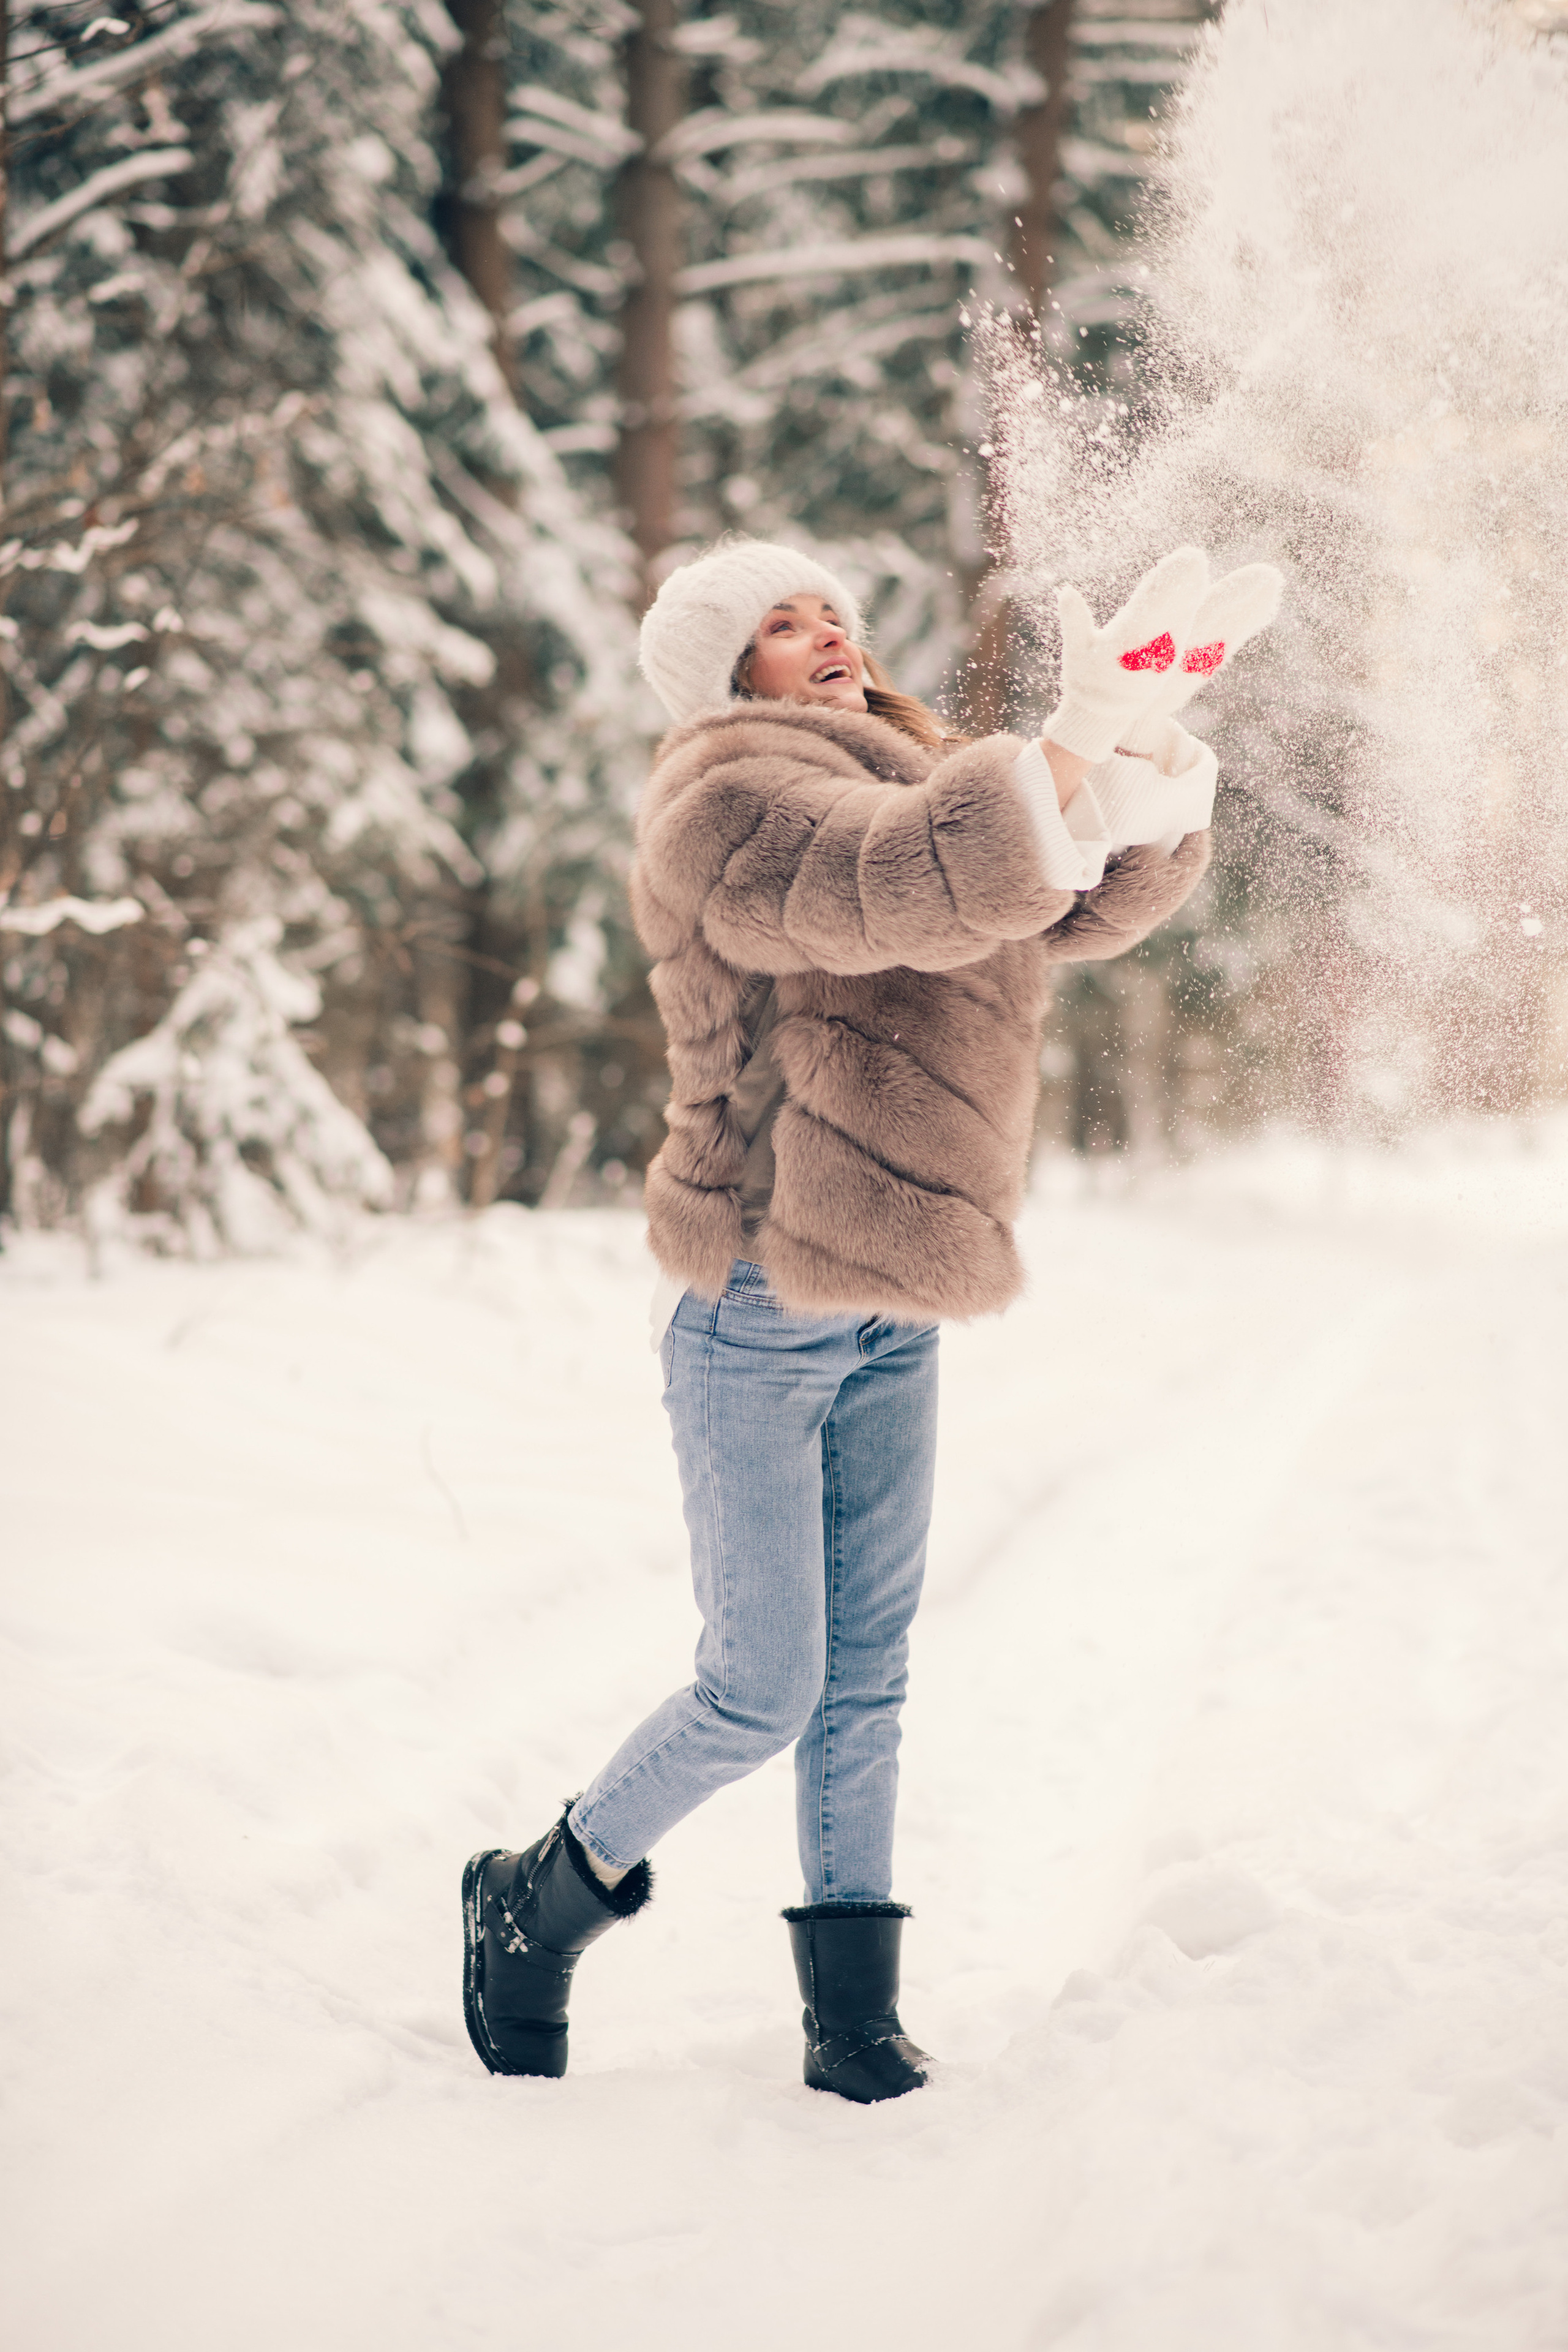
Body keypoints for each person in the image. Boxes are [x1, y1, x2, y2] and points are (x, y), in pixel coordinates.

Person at [462, 535, 1282, 2103]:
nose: (823, 634)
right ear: (728, 673)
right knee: (758, 1684)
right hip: (757, 1289)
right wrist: (1056, 745)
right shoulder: (723, 808)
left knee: (867, 1677)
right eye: (779, 625)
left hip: (891, 1289)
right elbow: (879, 885)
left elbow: (1055, 907)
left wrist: (1143, 737)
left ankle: (849, 2022)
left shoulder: (912, 776)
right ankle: (536, 1899)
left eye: (827, 610)